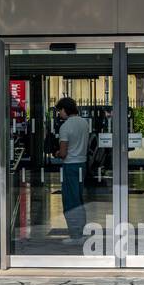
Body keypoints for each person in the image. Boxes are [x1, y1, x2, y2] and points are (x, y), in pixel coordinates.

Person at [54, 97, 90, 241]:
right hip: (82, 164)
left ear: (64, 109)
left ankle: (74, 235)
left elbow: (63, 153)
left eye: (59, 111)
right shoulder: (84, 123)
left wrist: (55, 153)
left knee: (70, 201)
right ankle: (80, 231)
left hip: (70, 166)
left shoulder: (66, 126)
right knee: (79, 199)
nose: (59, 114)